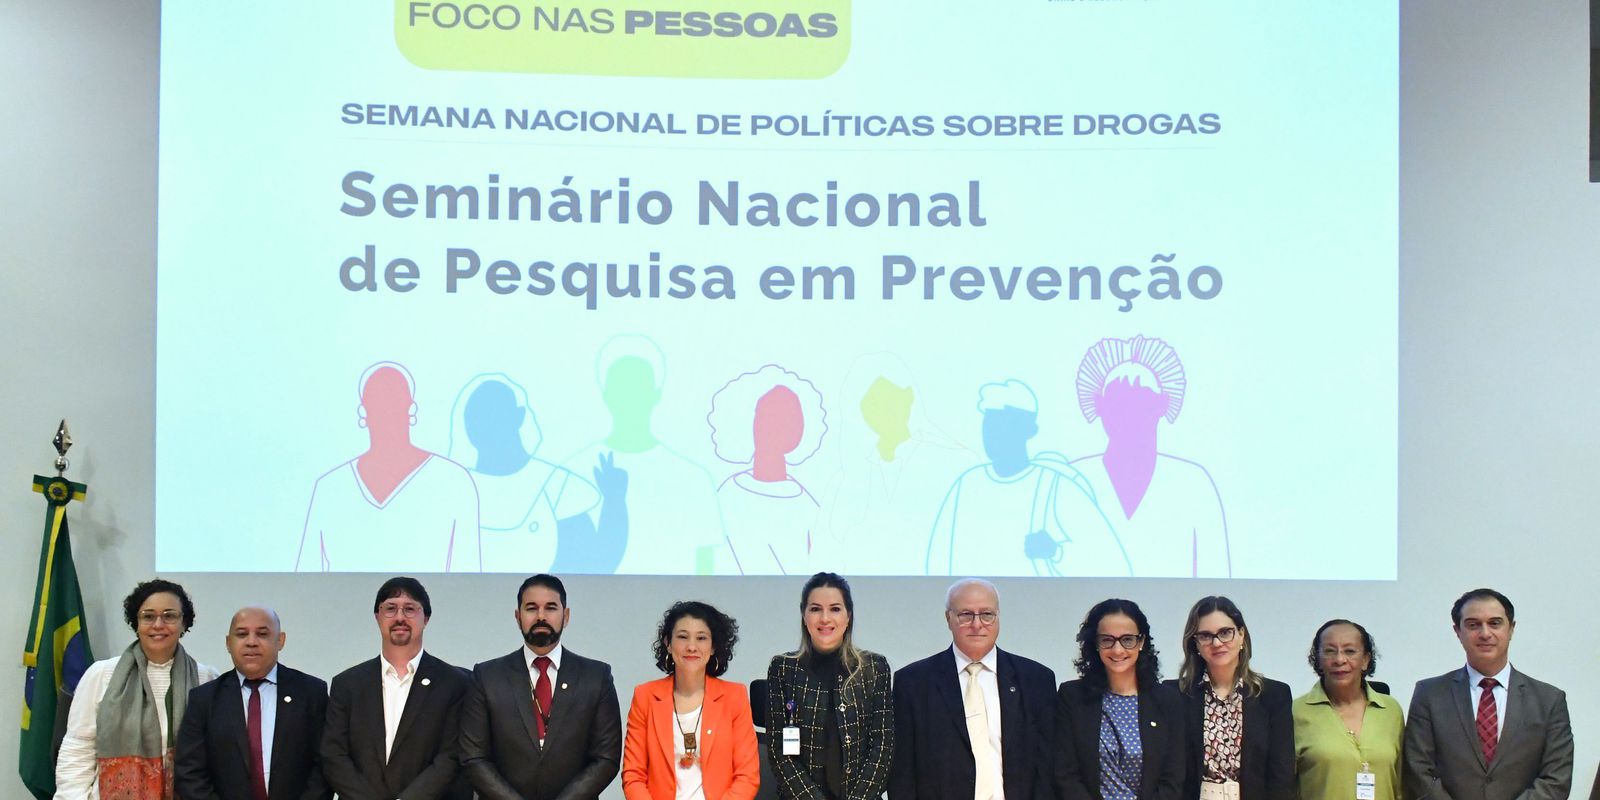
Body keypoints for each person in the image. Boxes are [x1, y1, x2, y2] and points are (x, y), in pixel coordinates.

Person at [927, 379, 1129, 578]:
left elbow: (1111, 560)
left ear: (1029, 431)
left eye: (1003, 426)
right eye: (988, 425)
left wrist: (1056, 552)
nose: (992, 435)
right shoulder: (966, 484)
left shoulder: (1055, 486)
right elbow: (938, 557)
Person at [1069, 336, 1230, 577]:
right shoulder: (1071, 479)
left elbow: (1216, 571)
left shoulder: (1195, 482)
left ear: (1161, 406)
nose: (1128, 416)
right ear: (1100, 407)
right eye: (1117, 403)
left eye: (1140, 402)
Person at [564, 335, 726, 575]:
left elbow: (707, 569)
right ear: (606, 395)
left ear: (656, 394)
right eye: (621, 387)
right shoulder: (573, 472)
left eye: (638, 387)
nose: (630, 397)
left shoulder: (693, 477)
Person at [298, 361, 481, 572]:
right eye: (378, 403)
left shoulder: (455, 481)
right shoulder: (329, 487)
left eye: (395, 402)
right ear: (363, 411)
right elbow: (305, 573)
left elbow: (471, 574)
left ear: (411, 408)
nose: (386, 413)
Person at [890, 578, 1056, 800]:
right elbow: (902, 774)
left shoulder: (1036, 680)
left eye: (987, 614)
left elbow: (1047, 768)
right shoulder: (913, 683)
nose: (977, 625)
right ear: (948, 618)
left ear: (998, 617)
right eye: (966, 615)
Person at [459, 574, 622, 800]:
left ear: (566, 616)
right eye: (531, 608)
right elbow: (473, 757)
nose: (541, 616)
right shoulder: (487, 676)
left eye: (551, 608)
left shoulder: (596, 677)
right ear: (518, 617)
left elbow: (606, 758)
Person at [448, 372, 629, 574]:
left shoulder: (556, 485)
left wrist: (615, 500)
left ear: (519, 417)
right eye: (477, 420)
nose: (487, 428)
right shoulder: (458, 486)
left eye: (497, 417)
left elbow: (597, 559)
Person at [56, 579, 220, 800]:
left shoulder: (206, 678)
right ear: (136, 622)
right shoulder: (102, 675)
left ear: (184, 623)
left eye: (169, 616)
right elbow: (78, 749)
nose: (158, 624)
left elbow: (217, 758)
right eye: (148, 616)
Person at [1403, 589, 1573, 800]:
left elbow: (1556, 780)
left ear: (1511, 629)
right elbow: (1418, 771)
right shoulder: (1429, 694)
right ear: (1458, 631)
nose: (1485, 633)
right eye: (1473, 625)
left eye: (1495, 623)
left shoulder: (1549, 700)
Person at [321, 576, 473, 799]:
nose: (400, 617)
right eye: (390, 609)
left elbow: (450, 757)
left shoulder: (454, 683)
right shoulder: (347, 684)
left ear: (426, 618)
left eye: (410, 609)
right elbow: (334, 755)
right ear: (377, 617)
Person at [174, 606, 330, 799]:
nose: (251, 642)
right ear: (228, 643)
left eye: (262, 634)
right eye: (242, 634)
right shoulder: (204, 699)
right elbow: (189, 772)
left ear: (280, 640)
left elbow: (325, 765)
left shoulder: (311, 692)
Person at [765, 572, 893, 800]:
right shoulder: (783, 668)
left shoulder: (874, 668)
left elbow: (882, 747)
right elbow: (780, 751)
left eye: (835, 609)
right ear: (804, 615)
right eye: (815, 609)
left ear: (848, 616)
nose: (825, 618)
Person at [622, 601, 759, 800]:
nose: (692, 647)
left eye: (701, 638)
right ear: (668, 643)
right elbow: (633, 775)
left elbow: (747, 776)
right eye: (683, 637)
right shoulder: (645, 697)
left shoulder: (734, 696)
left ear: (713, 647)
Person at [1053, 598, 1184, 800]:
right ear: (1095, 643)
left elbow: (1173, 779)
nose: (1117, 650)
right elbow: (1066, 775)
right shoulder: (1072, 696)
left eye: (1127, 639)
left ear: (1141, 642)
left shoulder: (1168, 700)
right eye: (1107, 640)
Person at [1165, 597, 1292, 800]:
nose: (1216, 643)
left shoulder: (1274, 695)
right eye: (1205, 636)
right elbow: (1168, 771)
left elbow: (1281, 776)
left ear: (1241, 635)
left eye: (1225, 633)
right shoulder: (1175, 694)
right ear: (1195, 643)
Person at [709, 365, 829, 575]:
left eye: (788, 420)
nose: (773, 429)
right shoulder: (727, 495)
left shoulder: (808, 507)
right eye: (766, 417)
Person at [1291, 620, 1403, 800]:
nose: (1339, 660)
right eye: (1329, 651)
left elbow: (1403, 784)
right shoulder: (1296, 712)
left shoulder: (1391, 710)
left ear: (1365, 660)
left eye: (1350, 651)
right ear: (1318, 660)